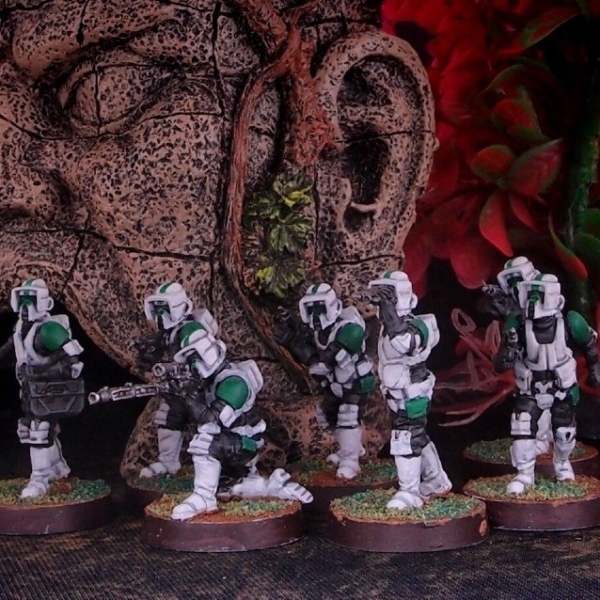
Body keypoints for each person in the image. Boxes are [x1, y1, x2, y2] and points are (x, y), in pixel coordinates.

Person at [169, 328, 312, 520]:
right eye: (190, 358)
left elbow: (212, 419)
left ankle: (203, 498)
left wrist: (188, 397)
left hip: (245, 444)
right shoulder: (208, 382)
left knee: (205, 442)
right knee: (227, 487)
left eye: (197, 355)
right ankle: (273, 487)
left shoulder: (235, 382)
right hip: (230, 446)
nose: (195, 362)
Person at [494, 273, 600, 493]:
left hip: (561, 387)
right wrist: (510, 347)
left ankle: (562, 464)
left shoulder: (570, 322)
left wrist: (595, 370)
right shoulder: (518, 325)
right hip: (531, 388)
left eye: (540, 295)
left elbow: (589, 346)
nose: (534, 303)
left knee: (564, 432)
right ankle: (525, 474)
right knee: (522, 426)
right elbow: (500, 365)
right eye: (531, 294)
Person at [367, 270, 451, 509]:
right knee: (418, 437)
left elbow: (404, 343)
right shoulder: (386, 327)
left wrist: (389, 310)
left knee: (405, 439)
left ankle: (409, 491)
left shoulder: (420, 325)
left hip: (413, 394)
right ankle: (436, 481)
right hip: (396, 395)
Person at [275, 283, 375, 479]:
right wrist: (292, 333)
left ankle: (351, 460)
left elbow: (322, 361)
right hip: (334, 383)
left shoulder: (350, 329)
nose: (316, 315)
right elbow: (313, 356)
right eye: (310, 309)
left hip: (354, 382)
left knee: (348, 417)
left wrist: (292, 341)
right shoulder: (319, 332)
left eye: (320, 308)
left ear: (333, 307)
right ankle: (350, 449)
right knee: (328, 416)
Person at [0, 279, 84, 498]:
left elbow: (73, 365)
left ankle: (39, 480)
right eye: (22, 300)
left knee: (38, 432)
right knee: (33, 429)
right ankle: (58, 469)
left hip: (50, 391)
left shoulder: (49, 330)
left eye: (31, 300)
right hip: (31, 391)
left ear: (44, 303)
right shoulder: (20, 329)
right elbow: (8, 353)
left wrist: (42, 373)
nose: (26, 307)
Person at [135, 282, 218, 479]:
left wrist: (191, 372)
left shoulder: (192, 329)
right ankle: (168, 462)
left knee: (209, 425)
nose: (161, 315)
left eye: (165, 309)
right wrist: (147, 356)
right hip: (181, 388)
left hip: (205, 389)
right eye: (158, 309)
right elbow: (154, 356)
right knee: (168, 415)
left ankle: (215, 468)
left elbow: (207, 361)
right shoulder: (169, 333)